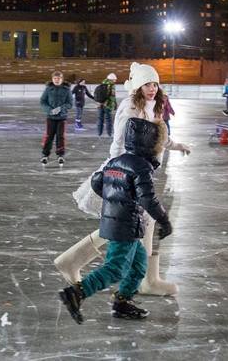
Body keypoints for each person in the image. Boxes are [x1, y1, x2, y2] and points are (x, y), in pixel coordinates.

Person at [55, 62, 190, 296]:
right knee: (127, 225)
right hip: (125, 175)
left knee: (129, 226)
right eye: (147, 84)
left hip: (140, 173)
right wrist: (120, 177)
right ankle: (148, 280)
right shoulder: (129, 109)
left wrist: (176, 146)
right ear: (137, 86)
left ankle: (72, 262)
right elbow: (118, 146)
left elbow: (157, 138)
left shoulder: (153, 106)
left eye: (155, 84)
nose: (152, 88)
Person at [58, 117, 173, 323]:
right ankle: (76, 293)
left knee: (138, 265)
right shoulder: (141, 167)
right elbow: (148, 199)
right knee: (116, 267)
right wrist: (164, 220)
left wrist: (114, 200)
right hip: (125, 225)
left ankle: (122, 301)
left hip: (115, 221)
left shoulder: (115, 161)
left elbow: (97, 181)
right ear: (151, 144)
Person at [39, 71, 72, 166]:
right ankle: (45, 154)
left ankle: (60, 155)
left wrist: (61, 108)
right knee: (49, 136)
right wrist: (49, 110)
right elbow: (43, 101)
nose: (57, 80)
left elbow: (70, 103)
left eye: (58, 79)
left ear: (62, 79)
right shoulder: (48, 89)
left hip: (62, 117)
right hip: (50, 117)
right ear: (52, 79)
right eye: (55, 79)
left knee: (60, 136)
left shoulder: (66, 90)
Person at [95, 73, 117, 137]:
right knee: (108, 119)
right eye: (115, 79)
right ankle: (109, 133)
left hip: (99, 104)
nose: (115, 81)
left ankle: (99, 133)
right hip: (107, 105)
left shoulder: (102, 83)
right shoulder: (111, 85)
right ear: (112, 79)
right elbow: (112, 96)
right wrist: (114, 104)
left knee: (100, 118)